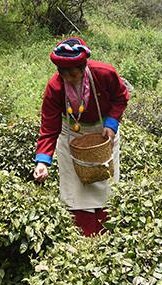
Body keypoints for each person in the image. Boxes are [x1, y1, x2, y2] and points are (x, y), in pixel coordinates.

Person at [32, 37, 130, 237]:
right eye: (63, 73)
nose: (68, 78)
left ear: (83, 66)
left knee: (106, 186)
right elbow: (49, 125)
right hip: (71, 135)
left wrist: (111, 124)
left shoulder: (104, 73)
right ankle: (81, 236)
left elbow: (121, 97)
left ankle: (107, 234)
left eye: (73, 73)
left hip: (103, 132)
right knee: (74, 190)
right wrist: (43, 161)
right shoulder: (55, 87)